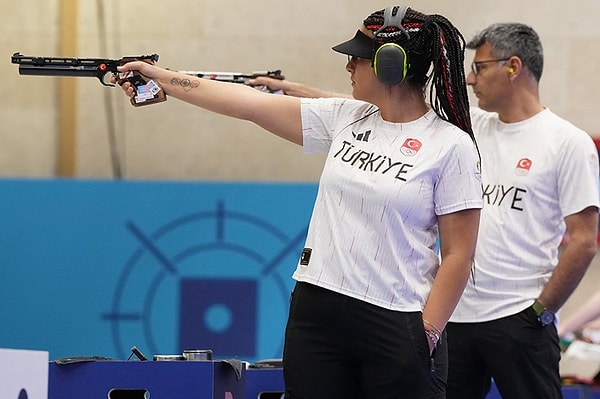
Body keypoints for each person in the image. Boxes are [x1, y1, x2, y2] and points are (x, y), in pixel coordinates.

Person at [117, 5, 482, 399]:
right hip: (318, 310)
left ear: (390, 63)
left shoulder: (452, 146)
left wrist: (426, 334)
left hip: (396, 320)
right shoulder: (347, 117)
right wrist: (163, 78)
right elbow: (248, 104)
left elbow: (459, 255)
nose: (347, 66)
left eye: (356, 56)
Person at [250, 20, 600, 399]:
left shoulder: (567, 143)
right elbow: (363, 107)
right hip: (456, 316)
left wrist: (541, 312)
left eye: (479, 68)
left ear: (513, 67)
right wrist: (289, 91)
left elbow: (584, 240)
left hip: (519, 317)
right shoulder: (465, 128)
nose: (468, 79)